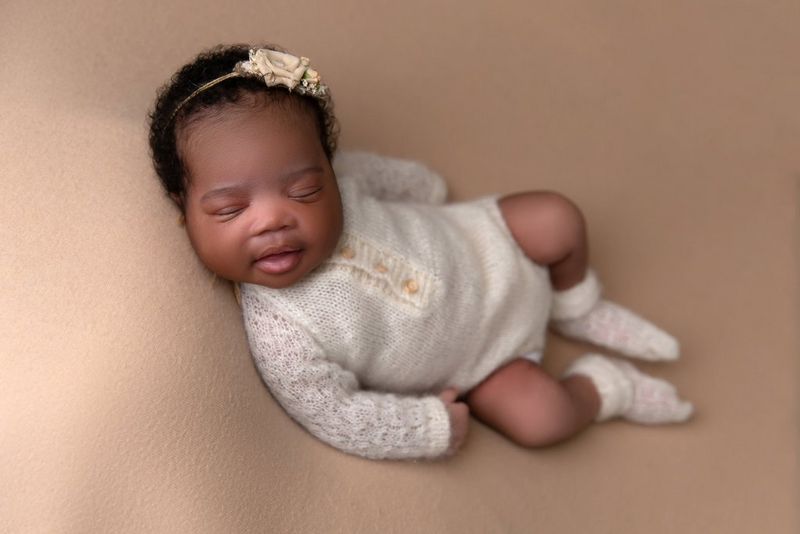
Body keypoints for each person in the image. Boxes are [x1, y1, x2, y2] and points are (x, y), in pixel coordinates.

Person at [148, 44, 694, 460]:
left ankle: (576, 304)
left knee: (556, 216)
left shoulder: (351, 177)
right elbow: (336, 415)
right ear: (184, 207)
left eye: (304, 190)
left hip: (492, 246)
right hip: (484, 364)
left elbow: (411, 183)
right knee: (543, 420)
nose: (273, 219)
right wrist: (428, 427)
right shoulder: (283, 333)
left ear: (328, 169)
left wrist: (426, 189)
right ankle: (607, 388)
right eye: (229, 209)